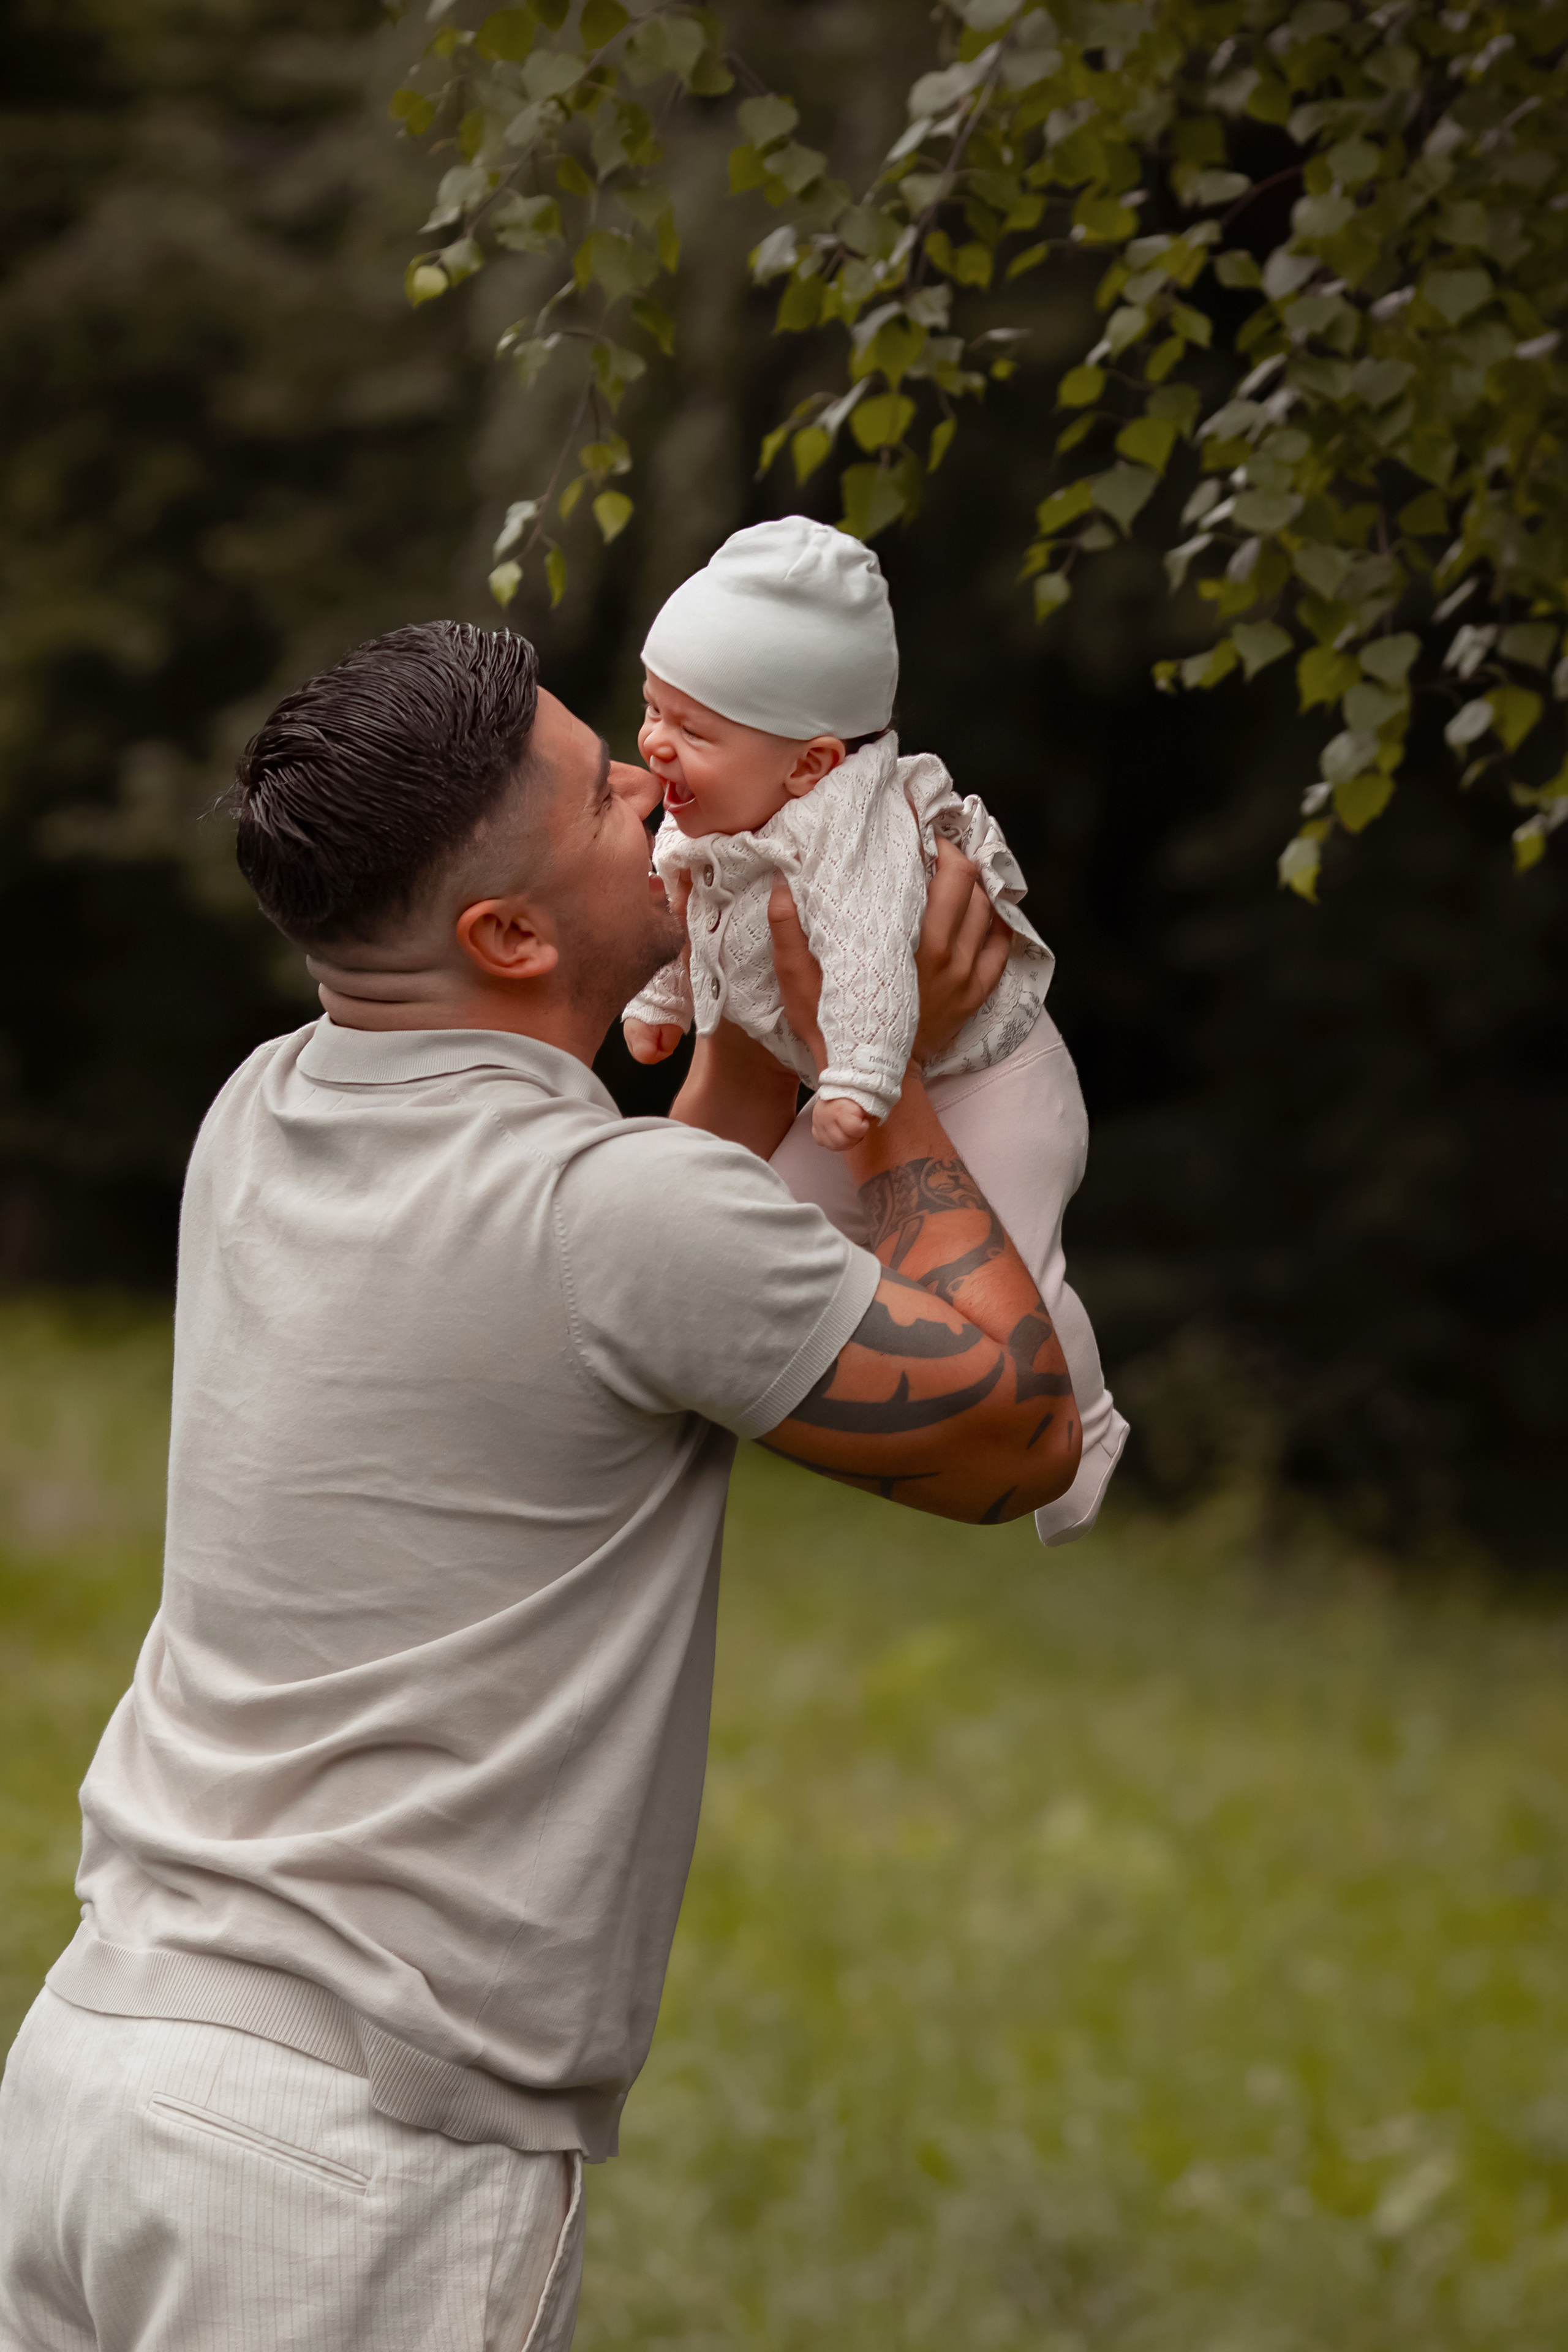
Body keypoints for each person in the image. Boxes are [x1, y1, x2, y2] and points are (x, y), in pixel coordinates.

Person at [0, 620, 1081, 2352]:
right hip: (349, 2168)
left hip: (93, 2082)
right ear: (505, 935)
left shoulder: (258, 1115)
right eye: (603, 793)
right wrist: (883, 1073)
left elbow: (630, 1267)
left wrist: (754, 1033)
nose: (657, 784)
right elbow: (1014, 1431)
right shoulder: (612, 1225)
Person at [622, 517, 1127, 1546]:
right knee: (756, 1229)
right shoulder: (714, 808)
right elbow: (684, 900)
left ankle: (1090, 1430)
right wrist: (661, 1001)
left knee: (1016, 1273)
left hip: (990, 1079)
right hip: (852, 1084)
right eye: (651, 709)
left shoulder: (859, 836)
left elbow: (864, 960)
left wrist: (860, 1078)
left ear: (809, 764)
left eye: (693, 730)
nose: (653, 747)